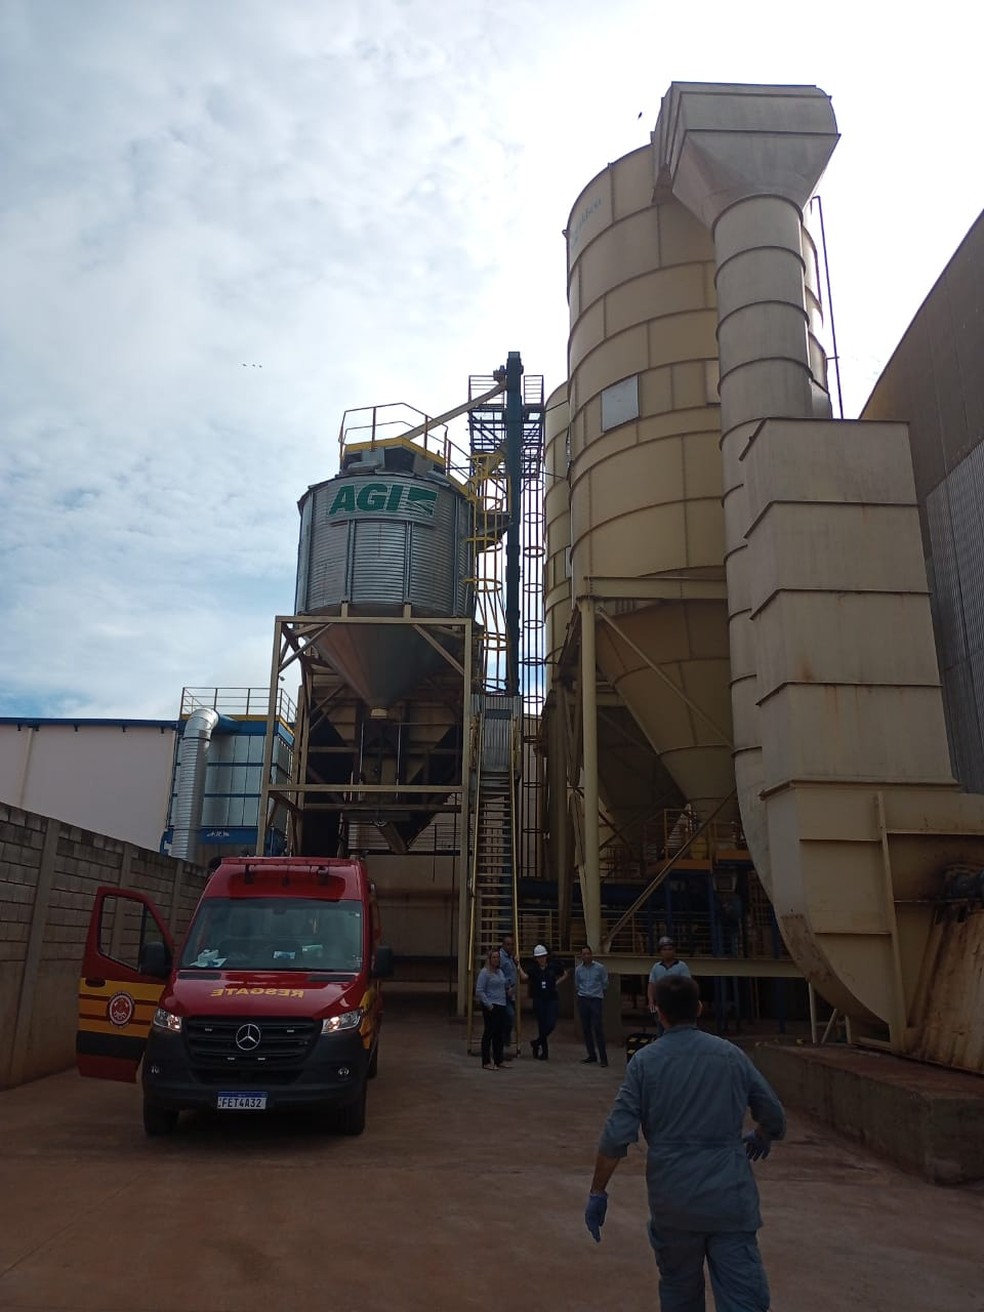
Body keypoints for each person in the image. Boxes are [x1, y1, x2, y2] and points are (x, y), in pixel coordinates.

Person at [583, 974, 786, 1312]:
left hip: (673, 1200)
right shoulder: (731, 1056)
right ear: (700, 1008)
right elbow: (774, 1114)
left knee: (679, 1292)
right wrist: (763, 1134)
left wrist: (597, 1192)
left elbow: (616, 1135)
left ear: (658, 1012)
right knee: (743, 1299)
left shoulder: (644, 1064)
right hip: (728, 1199)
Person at [528, 944, 567, 1060]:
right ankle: (544, 1052)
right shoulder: (533, 969)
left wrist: (556, 983)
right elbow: (525, 977)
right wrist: (518, 965)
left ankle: (536, 1042)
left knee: (551, 1024)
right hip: (539, 999)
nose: (541, 959)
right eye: (539, 957)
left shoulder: (553, 966)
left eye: (543, 956)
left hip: (551, 998)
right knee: (542, 1025)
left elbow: (565, 974)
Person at [648, 935, 690, 1036]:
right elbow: (651, 984)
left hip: (677, 1006)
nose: (667, 951)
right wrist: (650, 1000)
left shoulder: (682, 966)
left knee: (677, 1032)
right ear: (660, 951)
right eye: (664, 949)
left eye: (670, 949)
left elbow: (687, 985)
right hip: (661, 1005)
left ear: (674, 950)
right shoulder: (656, 967)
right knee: (661, 1032)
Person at [574, 945, 609, 1067]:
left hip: (595, 999)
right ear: (581, 956)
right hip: (583, 998)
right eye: (584, 954)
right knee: (586, 1028)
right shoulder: (578, 970)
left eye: (588, 953)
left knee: (598, 1028)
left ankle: (603, 1057)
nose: (586, 956)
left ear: (591, 954)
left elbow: (605, 984)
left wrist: (598, 994)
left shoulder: (600, 968)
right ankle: (591, 1055)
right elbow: (577, 984)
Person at [475, 948, 509, 1070]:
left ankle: (499, 1059)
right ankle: (486, 1061)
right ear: (489, 959)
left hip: (501, 1004)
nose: (496, 959)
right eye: (494, 957)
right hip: (491, 1006)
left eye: (497, 957)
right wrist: (489, 1005)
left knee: (499, 1035)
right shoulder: (485, 973)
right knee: (489, 1033)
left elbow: (503, 985)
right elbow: (479, 990)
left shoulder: (500, 972)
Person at [499, 933, 527, 1054]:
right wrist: (507, 987)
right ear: (503, 945)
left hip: (511, 993)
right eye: (508, 944)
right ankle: (504, 1037)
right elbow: (498, 974)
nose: (510, 947)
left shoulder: (511, 957)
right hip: (502, 992)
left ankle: (505, 1036)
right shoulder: (500, 957)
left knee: (510, 1016)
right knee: (509, 1015)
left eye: (512, 945)